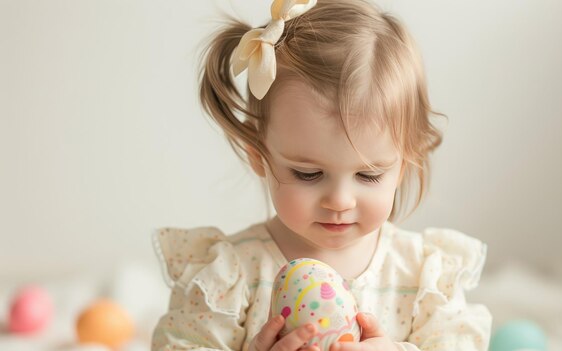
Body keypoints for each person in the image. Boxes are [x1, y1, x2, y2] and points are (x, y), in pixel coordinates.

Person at [151, 0, 492, 350]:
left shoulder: (421, 276)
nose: (340, 201)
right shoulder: (230, 275)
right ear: (258, 157)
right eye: (309, 174)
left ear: (403, 165)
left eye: (369, 175)